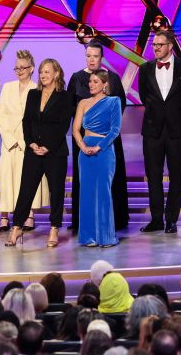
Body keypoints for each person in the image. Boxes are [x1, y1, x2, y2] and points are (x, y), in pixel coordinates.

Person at [5, 59, 72, 248]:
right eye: (41, 72)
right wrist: (31, 143)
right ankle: (17, 227)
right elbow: (27, 121)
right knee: (26, 190)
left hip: (55, 152)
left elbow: (63, 125)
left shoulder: (65, 97)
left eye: (47, 72)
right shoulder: (33, 94)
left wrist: (48, 146)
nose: (43, 75)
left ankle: (54, 228)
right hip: (33, 150)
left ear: (57, 74)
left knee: (56, 191)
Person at [138, 30, 181, 234]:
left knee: (176, 175)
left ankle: (171, 219)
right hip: (152, 130)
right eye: (154, 45)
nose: (155, 48)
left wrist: (177, 115)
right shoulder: (145, 69)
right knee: (153, 176)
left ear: (170, 46)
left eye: (159, 45)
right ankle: (156, 219)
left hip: (177, 130)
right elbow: (144, 96)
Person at [67, 39, 128, 233]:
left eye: (95, 56)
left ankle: (114, 220)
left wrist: (104, 129)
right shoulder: (76, 78)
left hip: (107, 139)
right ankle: (82, 221)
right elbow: (70, 106)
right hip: (83, 138)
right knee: (83, 179)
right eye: (88, 56)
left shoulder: (112, 78)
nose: (91, 60)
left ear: (101, 58)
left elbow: (120, 105)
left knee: (111, 177)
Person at [0, 50, 49, 232]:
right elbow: (1, 114)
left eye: (23, 68)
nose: (19, 71)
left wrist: (27, 140)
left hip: (28, 142)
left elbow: (37, 119)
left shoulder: (37, 89)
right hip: (9, 143)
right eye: (16, 68)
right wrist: (11, 139)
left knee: (26, 179)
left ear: (31, 68)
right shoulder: (8, 87)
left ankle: (29, 215)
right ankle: (4, 216)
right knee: (7, 178)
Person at [72, 69, 122, 246]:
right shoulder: (83, 103)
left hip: (104, 151)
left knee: (103, 193)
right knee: (86, 194)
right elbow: (75, 129)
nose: (91, 84)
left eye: (95, 81)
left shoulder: (113, 101)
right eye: (90, 81)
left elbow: (115, 130)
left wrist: (98, 147)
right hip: (85, 153)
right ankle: (88, 237)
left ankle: (106, 236)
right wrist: (83, 147)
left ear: (104, 84)